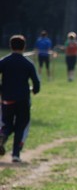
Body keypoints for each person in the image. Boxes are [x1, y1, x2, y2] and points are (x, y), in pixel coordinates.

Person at [0, 35, 41, 163]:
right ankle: (16, 154)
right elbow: (36, 81)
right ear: (24, 47)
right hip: (23, 98)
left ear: (10, 46)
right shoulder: (28, 63)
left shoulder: (4, 61)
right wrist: (35, 90)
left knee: (7, 122)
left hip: (7, 98)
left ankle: (3, 135)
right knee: (21, 125)